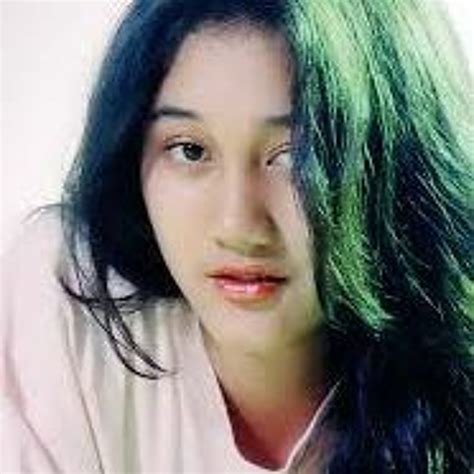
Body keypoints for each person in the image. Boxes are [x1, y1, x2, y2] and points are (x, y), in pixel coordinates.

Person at [1, 0, 473, 472]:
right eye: (190, 150)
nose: (238, 226)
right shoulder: (72, 295)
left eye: (297, 156)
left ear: (402, 168)